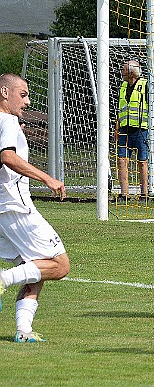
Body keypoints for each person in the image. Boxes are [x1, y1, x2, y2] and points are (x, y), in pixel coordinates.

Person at [0, 73, 70, 342]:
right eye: (23, 93)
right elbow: (7, 157)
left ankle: (23, 331)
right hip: (15, 207)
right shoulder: (7, 120)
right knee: (59, 265)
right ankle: (3, 280)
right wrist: (47, 178)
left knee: (35, 267)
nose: (27, 101)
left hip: (4, 208)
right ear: (5, 92)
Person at [115, 59, 154, 202]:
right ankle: (124, 194)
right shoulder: (123, 86)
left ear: (131, 73)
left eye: (124, 69)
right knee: (122, 160)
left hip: (141, 130)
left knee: (142, 162)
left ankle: (144, 194)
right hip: (124, 129)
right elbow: (121, 108)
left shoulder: (145, 85)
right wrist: (116, 128)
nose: (122, 72)